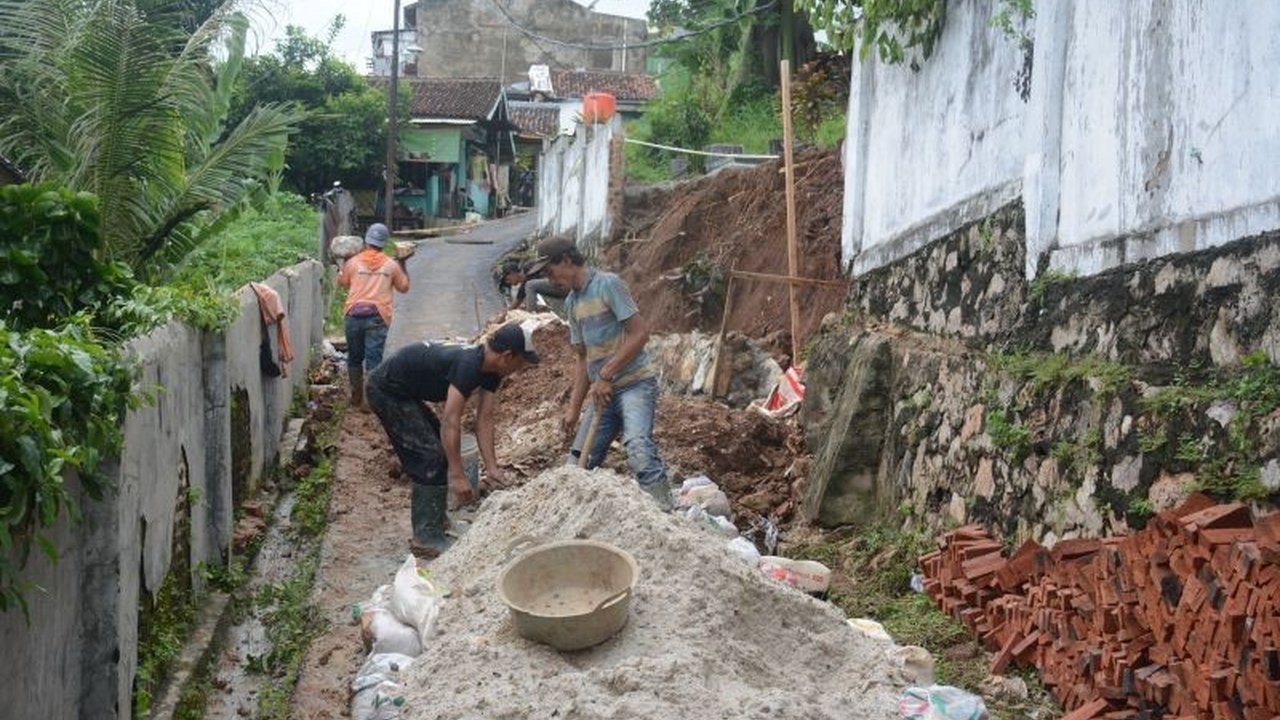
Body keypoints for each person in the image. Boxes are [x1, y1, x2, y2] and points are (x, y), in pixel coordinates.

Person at [365, 323, 539, 557]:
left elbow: (484, 419)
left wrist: (492, 468)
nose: (520, 369)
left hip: (404, 391)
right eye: (520, 362)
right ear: (507, 357)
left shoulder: (492, 372)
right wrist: (457, 475)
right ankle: (425, 537)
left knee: (439, 448)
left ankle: (435, 520)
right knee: (431, 455)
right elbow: (450, 420)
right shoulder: (469, 366)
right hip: (386, 389)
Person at [526, 236, 673, 510]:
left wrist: (606, 374)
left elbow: (640, 334)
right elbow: (583, 360)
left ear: (568, 260)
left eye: (550, 271)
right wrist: (573, 409)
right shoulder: (572, 303)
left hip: (634, 385)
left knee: (638, 449)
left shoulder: (608, 284)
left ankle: (666, 513)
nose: (550, 280)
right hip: (601, 395)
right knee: (578, 462)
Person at [337, 223, 409, 407]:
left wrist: (343, 264)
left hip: (354, 314)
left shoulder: (353, 262)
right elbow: (404, 287)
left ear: (367, 240)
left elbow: (343, 282)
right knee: (374, 360)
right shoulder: (391, 265)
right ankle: (370, 403)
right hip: (378, 317)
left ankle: (356, 397)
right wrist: (403, 263)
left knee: (354, 357)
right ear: (385, 243)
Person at [496, 259, 570, 318]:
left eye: (507, 279)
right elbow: (514, 305)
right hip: (563, 291)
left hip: (565, 284)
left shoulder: (529, 268)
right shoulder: (525, 284)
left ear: (512, 273)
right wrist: (497, 323)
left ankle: (531, 318)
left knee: (531, 285)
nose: (508, 283)